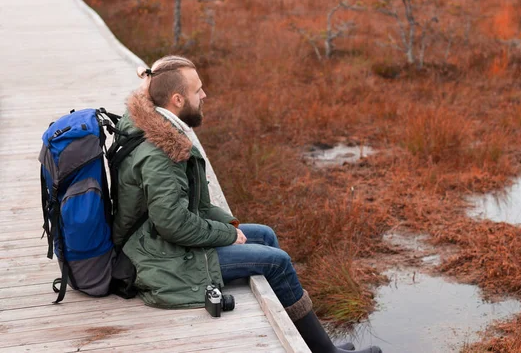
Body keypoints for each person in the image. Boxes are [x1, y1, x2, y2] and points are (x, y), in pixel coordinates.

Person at [112, 55, 382, 353]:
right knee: (276, 263)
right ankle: (324, 352)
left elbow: (193, 207)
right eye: (197, 90)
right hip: (158, 259)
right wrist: (226, 235)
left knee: (264, 235)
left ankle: (311, 343)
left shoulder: (163, 128)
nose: (204, 95)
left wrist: (229, 225)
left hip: (159, 242)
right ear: (177, 99)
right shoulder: (160, 154)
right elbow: (172, 224)